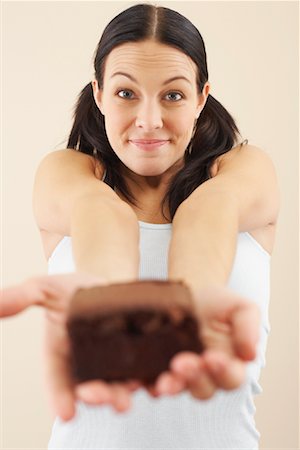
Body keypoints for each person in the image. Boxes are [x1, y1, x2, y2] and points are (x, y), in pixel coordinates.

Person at [0, 3, 280, 449]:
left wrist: (189, 311)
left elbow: (210, 212)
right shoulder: (65, 172)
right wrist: (110, 311)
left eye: (172, 95)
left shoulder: (245, 169)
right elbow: (102, 214)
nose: (149, 121)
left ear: (201, 97)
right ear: (98, 93)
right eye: (126, 93)